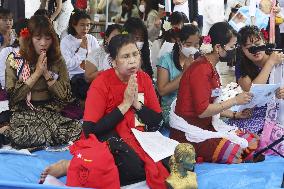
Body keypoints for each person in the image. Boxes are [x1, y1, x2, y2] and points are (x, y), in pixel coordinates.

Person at [40, 34, 169, 188]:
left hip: (139, 136)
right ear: (113, 62)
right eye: (125, 56)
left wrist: (137, 105)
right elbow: (89, 130)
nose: (132, 60)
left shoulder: (144, 79)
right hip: (109, 138)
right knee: (132, 168)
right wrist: (125, 104)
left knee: (176, 160)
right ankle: (69, 165)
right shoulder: (101, 83)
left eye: (135, 54)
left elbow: (157, 121)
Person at [170, 22, 263, 164]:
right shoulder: (200, 70)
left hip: (208, 125)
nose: (234, 50)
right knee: (240, 152)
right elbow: (202, 111)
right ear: (218, 47)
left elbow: (213, 104)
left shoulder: (211, 66)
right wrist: (235, 101)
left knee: (252, 140)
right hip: (189, 131)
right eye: (232, 46)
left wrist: (234, 114)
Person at [1, 15, 82, 149]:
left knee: (77, 130)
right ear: (29, 38)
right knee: (20, 135)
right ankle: (10, 131)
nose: (43, 43)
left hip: (49, 111)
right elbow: (13, 97)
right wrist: (37, 73)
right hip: (24, 112)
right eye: (38, 39)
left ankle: (17, 134)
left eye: (48, 38)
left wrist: (46, 74)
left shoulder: (57, 60)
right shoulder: (15, 59)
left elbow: (65, 97)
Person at [228, 25, 284, 133]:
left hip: (278, 110)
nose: (255, 50)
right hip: (254, 110)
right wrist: (270, 63)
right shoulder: (242, 65)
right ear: (242, 49)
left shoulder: (279, 59)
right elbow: (251, 92)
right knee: (235, 133)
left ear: (265, 42)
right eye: (249, 48)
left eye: (258, 45)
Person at [157, 24, 200, 125]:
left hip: (194, 107)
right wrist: (185, 73)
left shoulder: (199, 59)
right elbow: (162, 91)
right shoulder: (166, 59)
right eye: (188, 45)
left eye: (196, 45)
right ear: (179, 42)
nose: (193, 49)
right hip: (172, 110)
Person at [60, 9, 99, 102]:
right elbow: (68, 65)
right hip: (75, 76)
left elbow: (98, 59)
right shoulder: (66, 41)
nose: (85, 28)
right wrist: (82, 50)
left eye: (88, 25)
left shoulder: (92, 39)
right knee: (85, 85)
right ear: (74, 25)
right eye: (82, 25)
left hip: (90, 74)